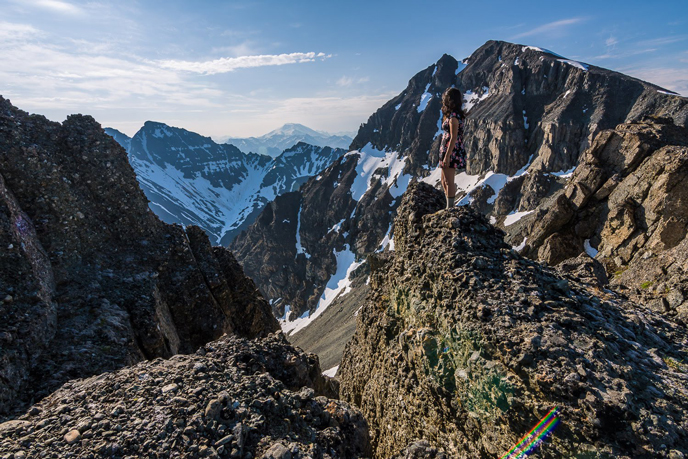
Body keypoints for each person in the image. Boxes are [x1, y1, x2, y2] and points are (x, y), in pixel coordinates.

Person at [438, 87, 467, 208]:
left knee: (448, 181)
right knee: (444, 181)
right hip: (446, 150)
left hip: (451, 152)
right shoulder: (451, 116)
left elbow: (454, 137)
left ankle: (450, 208)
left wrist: (448, 155)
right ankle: (449, 205)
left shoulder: (453, 118)